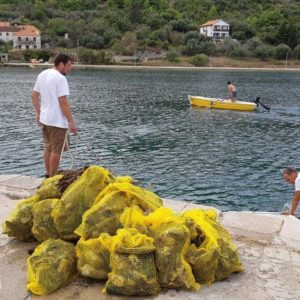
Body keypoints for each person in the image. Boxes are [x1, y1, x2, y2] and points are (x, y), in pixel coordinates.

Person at [32, 53, 77, 178]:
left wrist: (39, 113)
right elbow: (63, 102)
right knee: (57, 150)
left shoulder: (43, 74)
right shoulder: (60, 79)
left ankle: (48, 175)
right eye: (68, 65)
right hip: (56, 121)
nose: (69, 68)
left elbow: (34, 95)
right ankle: (52, 178)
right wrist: (71, 122)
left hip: (45, 119)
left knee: (48, 147)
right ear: (61, 64)